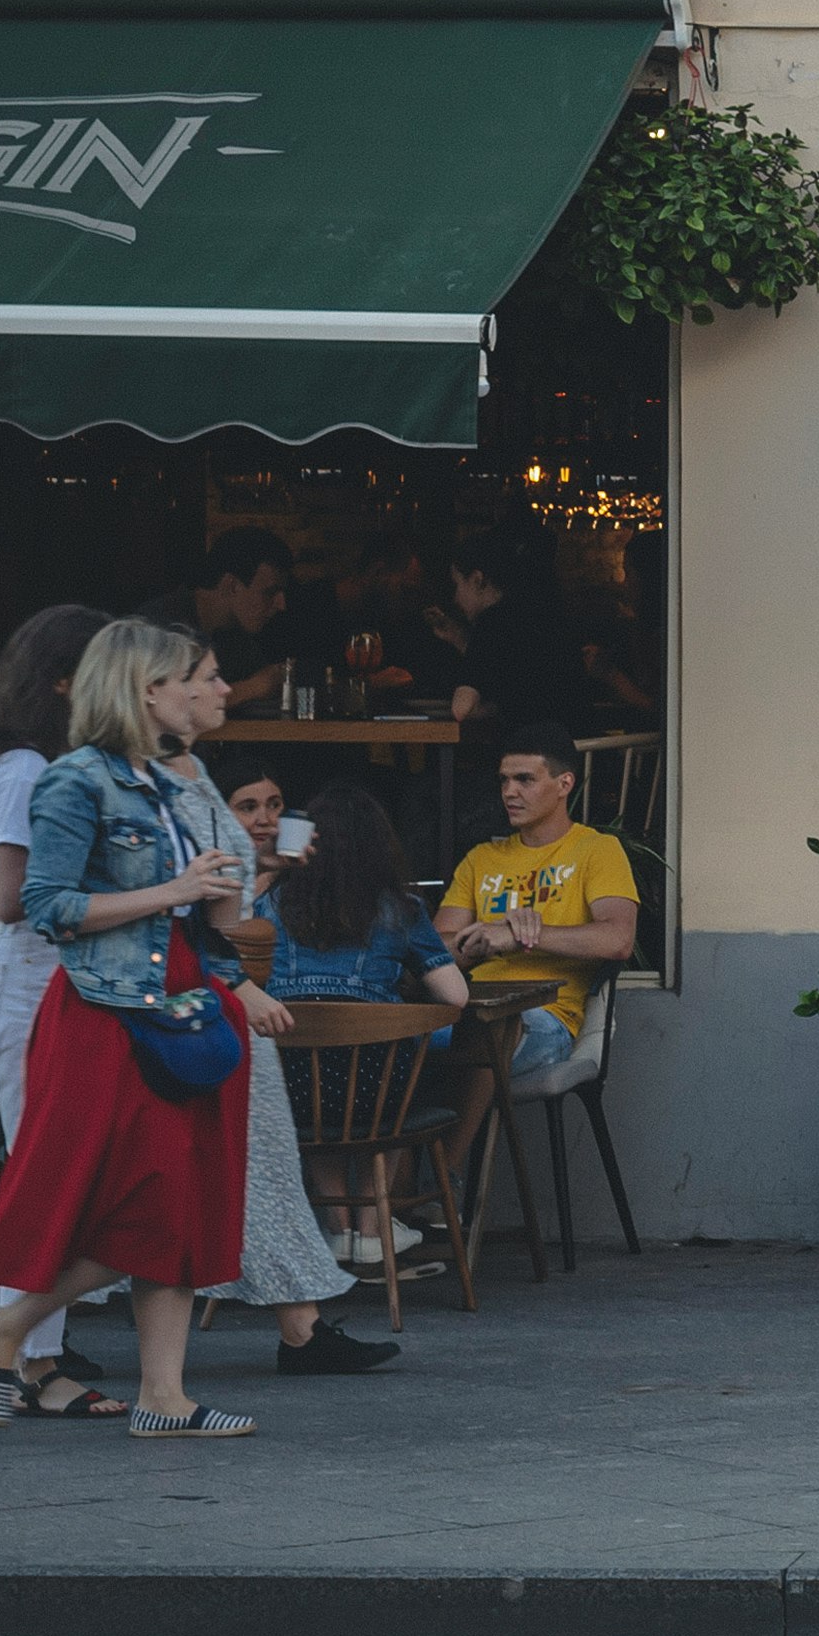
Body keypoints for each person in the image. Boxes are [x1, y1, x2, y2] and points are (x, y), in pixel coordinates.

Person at [0, 620, 265, 1439]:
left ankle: (163, 1397)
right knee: (137, 1199)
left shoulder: (171, 785)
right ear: (148, 690)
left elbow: (212, 915)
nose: (220, 690)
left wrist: (233, 936)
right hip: (111, 1012)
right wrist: (176, 890)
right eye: (202, 675)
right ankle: (11, 1329)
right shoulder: (75, 782)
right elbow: (47, 906)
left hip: (182, 1003)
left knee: (181, 1203)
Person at [154, 686, 393, 1378]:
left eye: (272, 806)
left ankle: (301, 1327)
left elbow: (209, 915)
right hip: (189, 1009)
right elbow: (185, 923)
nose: (224, 686)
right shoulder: (161, 791)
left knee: (256, 1163)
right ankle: (9, 1313)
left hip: (203, 1011)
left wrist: (267, 875)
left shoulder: (187, 787)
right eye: (249, 808)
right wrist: (240, 984)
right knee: (180, 1168)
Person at [0, 602, 121, 1417]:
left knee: (53, 1173)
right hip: (25, 989)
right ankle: (30, 1361)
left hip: (46, 990)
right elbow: (9, 899)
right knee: (50, 1175)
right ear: (68, 682)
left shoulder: (43, 768)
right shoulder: (26, 773)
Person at [253, 781, 467, 1277]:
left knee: (320, 1087)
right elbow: (454, 997)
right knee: (389, 1075)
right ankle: (373, 1230)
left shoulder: (270, 905)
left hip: (292, 1093)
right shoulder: (401, 910)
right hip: (377, 1098)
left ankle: (339, 1228)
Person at [436, 726, 637, 1080]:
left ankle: (451, 1140)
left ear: (564, 785)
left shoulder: (597, 849)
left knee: (485, 1040)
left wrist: (523, 936)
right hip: (472, 1007)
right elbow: (436, 951)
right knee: (394, 1046)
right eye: (504, 781)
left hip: (546, 1018)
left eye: (525, 779)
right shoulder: (482, 858)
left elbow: (618, 940)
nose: (509, 792)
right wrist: (481, 941)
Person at [134, 529, 299, 713]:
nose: (281, 604)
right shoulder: (159, 625)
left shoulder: (235, 638)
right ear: (232, 586)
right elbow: (156, 707)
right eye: (269, 592)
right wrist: (252, 688)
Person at [438, 538, 588, 733]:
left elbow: (462, 710)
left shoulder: (491, 622)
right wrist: (460, 638)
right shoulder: (542, 614)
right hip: (578, 750)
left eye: (457, 585)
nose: (455, 597)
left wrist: (495, 707)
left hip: (535, 753)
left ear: (477, 579)